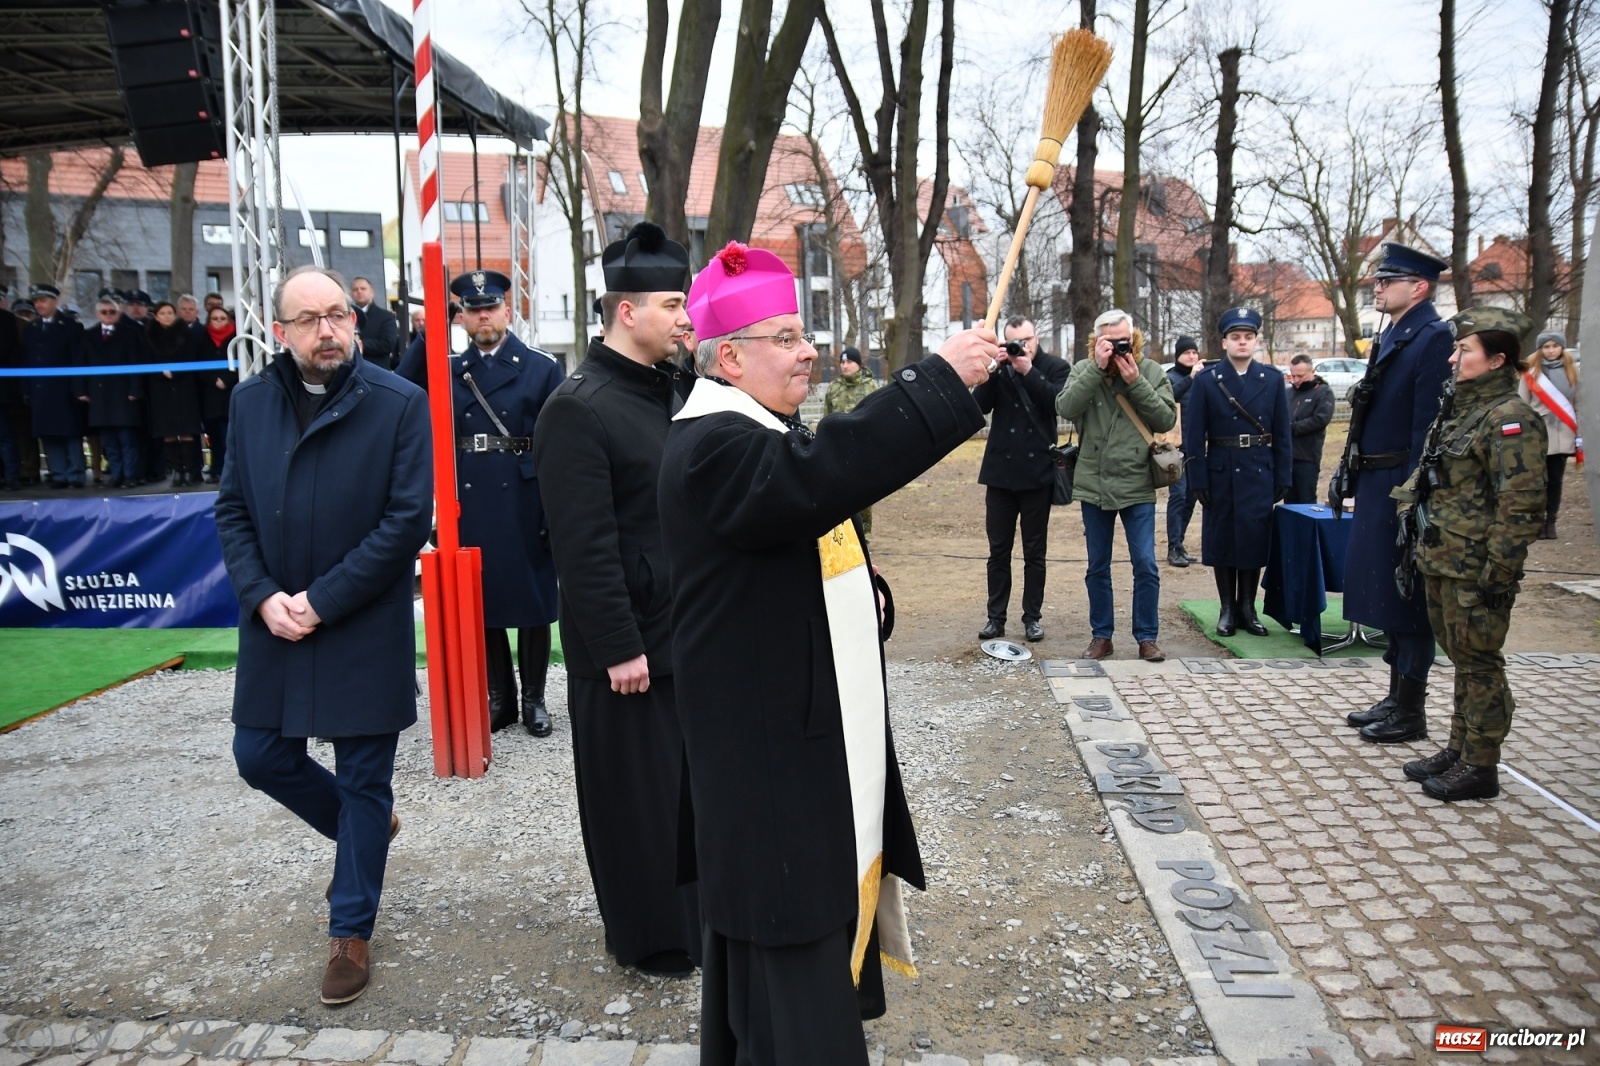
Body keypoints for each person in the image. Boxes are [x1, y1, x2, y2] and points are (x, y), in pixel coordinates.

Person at [660, 239, 1000, 1065]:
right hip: (769, 762)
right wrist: (938, 380)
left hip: (784, 747)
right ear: (729, 356)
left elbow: (794, 527)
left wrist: (858, 588)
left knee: (767, 960)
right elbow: (825, 471)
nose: (808, 347)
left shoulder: (754, 431)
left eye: (803, 331)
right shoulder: (713, 444)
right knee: (788, 951)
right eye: (784, 335)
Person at [215, 264, 431, 1006]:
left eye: (337, 314)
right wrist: (263, 595)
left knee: (364, 776)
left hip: (360, 620)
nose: (328, 330)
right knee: (259, 756)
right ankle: (366, 828)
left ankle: (350, 930)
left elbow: (406, 521)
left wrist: (322, 600)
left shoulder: (399, 403)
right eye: (308, 320)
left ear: (355, 319)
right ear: (280, 331)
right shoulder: (249, 404)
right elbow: (232, 510)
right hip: (274, 619)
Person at [532, 222, 702, 977]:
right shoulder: (578, 406)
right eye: (672, 303)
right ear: (626, 312)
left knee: (685, 797)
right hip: (629, 652)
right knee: (636, 803)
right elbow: (582, 545)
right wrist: (618, 647)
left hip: (686, 634)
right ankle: (649, 937)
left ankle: (696, 924)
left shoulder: (675, 389)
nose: (685, 317)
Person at [1393, 308, 1545, 801]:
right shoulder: (1462, 412)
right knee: (1460, 659)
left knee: (1480, 664)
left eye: (1466, 351)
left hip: (1478, 568)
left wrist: (1499, 572)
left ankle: (1481, 764)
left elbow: (1520, 505)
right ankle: (1459, 748)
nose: (1455, 358)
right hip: (1445, 559)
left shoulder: (1511, 420)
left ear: (1498, 359)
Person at [1333, 244, 1455, 743]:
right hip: (1377, 479)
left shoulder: (1429, 337)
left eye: (1387, 280)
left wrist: (1410, 496)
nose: (1377, 288)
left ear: (1419, 287)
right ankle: (1394, 695)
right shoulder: (1393, 335)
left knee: (1407, 596)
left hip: (1401, 484)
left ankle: (1412, 709)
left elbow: (1427, 427)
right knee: (1385, 592)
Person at [445, 269, 564, 736]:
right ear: (463, 318)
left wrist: (554, 508)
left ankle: (534, 698)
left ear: (507, 311)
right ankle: (502, 699)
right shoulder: (450, 369)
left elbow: (558, 443)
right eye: (473, 311)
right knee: (484, 603)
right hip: (473, 497)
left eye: (490, 308)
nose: (483, 317)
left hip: (525, 495)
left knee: (533, 602)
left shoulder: (540, 366)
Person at [1056, 308, 1177, 662]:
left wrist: (1136, 381)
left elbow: (1165, 418)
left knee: (1146, 564)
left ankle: (1146, 637)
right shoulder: (1083, 369)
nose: (1117, 348)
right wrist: (1095, 368)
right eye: (1109, 342)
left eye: (1123, 340)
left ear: (1133, 337)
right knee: (1097, 565)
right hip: (1094, 481)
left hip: (1137, 480)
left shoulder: (1151, 370)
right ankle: (1101, 636)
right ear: (1097, 340)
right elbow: (1065, 406)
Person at [1182, 307, 1291, 637]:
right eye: (1235, 337)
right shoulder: (1206, 381)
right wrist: (1197, 476)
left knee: (1254, 539)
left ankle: (1248, 607)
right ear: (1224, 342)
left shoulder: (1271, 379)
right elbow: (1193, 434)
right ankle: (1227, 607)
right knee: (1223, 539)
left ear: (1257, 341)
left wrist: (1283, 476)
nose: (1242, 343)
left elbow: (1283, 433)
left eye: (1248, 337)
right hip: (1221, 470)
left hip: (1259, 470)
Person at [974, 315, 1071, 642]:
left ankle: (1032, 617)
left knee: (1035, 552)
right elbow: (978, 408)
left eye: (1025, 341)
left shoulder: (1055, 366)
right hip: (1000, 474)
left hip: (1037, 474)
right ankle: (995, 617)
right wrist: (992, 370)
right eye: (1014, 341)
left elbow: (1057, 402)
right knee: (998, 551)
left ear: (1036, 337)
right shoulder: (999, 368)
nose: (1020, 347)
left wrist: (1029, 371)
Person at [21, 284, 87, 489]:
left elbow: (78, 360)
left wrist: (78, 389)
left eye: (43, 300)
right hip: (40, 390)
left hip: (64, 390)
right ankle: (58, 473)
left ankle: (76, 473)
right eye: (36, 301)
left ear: (54, 302)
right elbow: (26, 361)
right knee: (49, 434)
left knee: (70, 433)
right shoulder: (31, 328)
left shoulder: (71, 326)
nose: (39, 305)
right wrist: (26, 389)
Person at [1517, 330, 1580, 540]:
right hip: (1538, 433)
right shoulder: (1531, 372)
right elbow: (1521, 405)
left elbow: (1577, 403)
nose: (1551, 350)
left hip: (1563, 434)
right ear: (1540, 349)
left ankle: (1550, 522)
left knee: (1555, 480)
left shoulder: (1572, 371)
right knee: (1536, 480)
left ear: (1562, 347)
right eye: (1546, 346)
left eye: (1555, 346)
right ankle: (1537, 521)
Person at [80, 296, 145, 488]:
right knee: (109, 441)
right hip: (99, 396)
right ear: (97, 314)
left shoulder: (130, 333)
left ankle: (130, 475)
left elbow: (136, 363)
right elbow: (81, 363)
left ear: (119, 313)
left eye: (112, 312)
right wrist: (81, 390)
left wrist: (135, 389)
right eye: (104, 312)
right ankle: (116, 475)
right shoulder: (88, 335)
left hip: (123, 394)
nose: (108, 315)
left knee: (127, 439)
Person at [142, 301, 204, 487]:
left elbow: (192, 357)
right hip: (160, 389)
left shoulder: (185, 332)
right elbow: (145, 362)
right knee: (168, 432)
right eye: (163, 313)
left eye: (170, 312)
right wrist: (161, 372)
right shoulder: (149, 335)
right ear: (156, 316)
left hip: (184, 386)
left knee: (187, 431)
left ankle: (190, 470)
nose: (167, 316)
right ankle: (176, 470)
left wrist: (176, 372)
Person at [821, 347, 881, 537]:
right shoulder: (834, 389)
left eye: (849, 362)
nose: (845, 366)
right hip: (840, 450)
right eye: (842, 362)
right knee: (840, 495)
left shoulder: (871, 387)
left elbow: (879, 418)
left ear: (858, 364)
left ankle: (865, 536)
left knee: (864, 496)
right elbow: (826, 419)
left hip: (864, 449)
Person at [1164, 335, 1201, 567]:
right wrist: (1190, 377)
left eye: (1194, 352)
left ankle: (1180, 543)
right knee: (1177, 496)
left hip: (1196, 447)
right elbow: (1167, 398)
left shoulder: (1201, 379)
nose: (1192, 356)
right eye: (1187, 353)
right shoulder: (1170, 377)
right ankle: (1172, 547)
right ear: (1178, 355)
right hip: (1173, 448)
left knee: (1191, 497)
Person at [1286, 354, 1335, 505]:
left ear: (1312, 372)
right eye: (1293, 375)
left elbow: (1320, 420)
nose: (1296, 380)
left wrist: (1293, 428)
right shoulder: (1288, 393)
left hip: (1307, 457)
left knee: (1306, 500)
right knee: (1289, 501)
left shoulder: (1323, 392)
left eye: (1300, 376)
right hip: (1287, 457)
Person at [198, 306, 239, 482]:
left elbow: (244, 361)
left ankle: (231, 471)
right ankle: (217, 469)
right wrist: (213, 379)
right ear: (209, 320)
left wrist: (226, 380)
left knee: (230, 435)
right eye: (215, 318)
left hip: (231, 392)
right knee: (215, 435)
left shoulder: (237, 337)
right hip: (210, 395)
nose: (219, 321)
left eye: (223, 318)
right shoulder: (202, 338)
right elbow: (198, 364)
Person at [351, 276, 399, 371]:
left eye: (363, 288)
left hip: (377, 371)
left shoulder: (386, 317)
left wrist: (360, 344)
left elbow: (388, 344)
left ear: (372, 292)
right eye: (355, 289)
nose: (359, 291)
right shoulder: (345, 317)